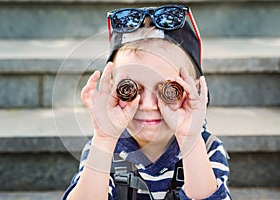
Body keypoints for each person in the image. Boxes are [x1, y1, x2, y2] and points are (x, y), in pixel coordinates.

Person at [63, 4, 231, 200]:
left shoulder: (208, 147)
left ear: (195, 92)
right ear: (110, 89)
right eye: (129, 89)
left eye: (169, 90)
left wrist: (191, 140)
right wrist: (105, 138)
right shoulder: (103, 149)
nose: (149, 105)